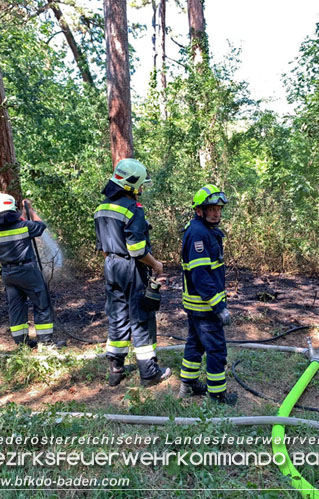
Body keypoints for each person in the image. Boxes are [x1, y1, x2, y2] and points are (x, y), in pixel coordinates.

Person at [95, 158, 170, 387]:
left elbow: (104, 248)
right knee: (141, 317)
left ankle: (116, 368)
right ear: (131, 184)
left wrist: (114, 265)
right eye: (140, 185)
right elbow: (137, 250)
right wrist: (155, 265)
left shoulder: (101, 209)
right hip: (131, 267)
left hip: (111, 266)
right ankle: (149, 373)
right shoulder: (133, 209)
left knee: (117, 315)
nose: (142, 189)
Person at [178, 184, 237, 405]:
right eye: (211, 209)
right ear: (199, 210)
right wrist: (219, 307)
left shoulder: (203, 230)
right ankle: (217, 396)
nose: (216, 213)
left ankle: (188, 384)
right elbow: (201, 276)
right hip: (205, 306)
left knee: (195, 344)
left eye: (219, 209)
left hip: (197, 306)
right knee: (216, 350)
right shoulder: (198, 234)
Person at [0, 193, 63, 348]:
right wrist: (30, 209)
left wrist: (23, 214)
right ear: (12, 206)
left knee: (16, 307)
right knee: (41, 302)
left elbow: (14, 223)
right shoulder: (24, 227)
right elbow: (40, 226)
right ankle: (45, 343)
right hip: (27, 272)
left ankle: (22, 344)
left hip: (8, 274)